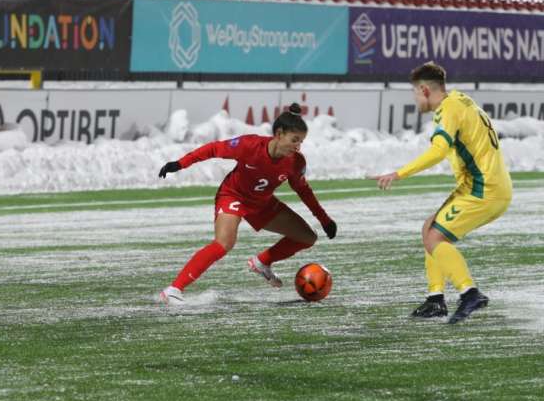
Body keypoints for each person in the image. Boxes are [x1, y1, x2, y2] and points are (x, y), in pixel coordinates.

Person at [373, 62, 511, 324]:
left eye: (415, 93)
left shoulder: (448, 109)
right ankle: (436, 299)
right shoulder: (459, 100)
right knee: (429, 229)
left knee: (436, 239)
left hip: (485, 190)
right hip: (483, 185)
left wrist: (397, 173)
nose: (415, 99)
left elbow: (438, 151)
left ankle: (470, 292)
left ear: (425, 90)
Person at [157, 103, 337, 304]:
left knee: (307, 237)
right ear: (279, 134)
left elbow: (303, 191)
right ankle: (173, 290)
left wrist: (324, 219)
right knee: (224, 243)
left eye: (301, 142)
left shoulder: (296, 162)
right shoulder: (250, 145)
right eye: (294, 140)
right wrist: (180, 163)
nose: (298, 146)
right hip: (233, 196)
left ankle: (262, 262)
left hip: (262, 203)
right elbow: (214, 149)